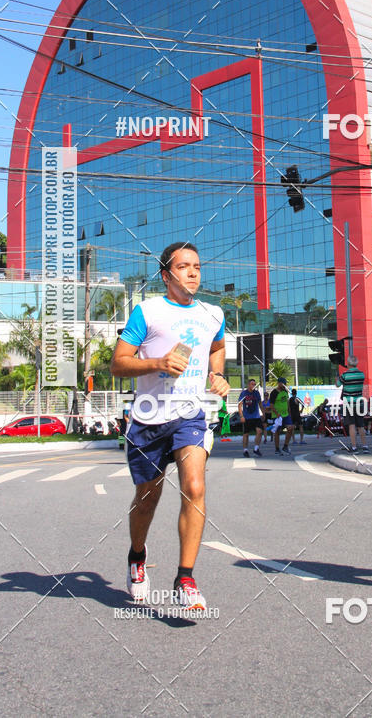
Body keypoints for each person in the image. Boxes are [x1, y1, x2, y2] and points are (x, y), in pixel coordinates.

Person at [111, 242, 230, 609]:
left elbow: (217, 347)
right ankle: (136, 556)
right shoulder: (147, 312)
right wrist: (158, 363)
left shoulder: (213, 313)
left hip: (190, 415)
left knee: (194, 486)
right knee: (147, 499)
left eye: (196, 265)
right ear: (166, 275)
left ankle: (185, 578)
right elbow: (118, 364)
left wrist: (218, 375)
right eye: (183, 266)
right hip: (148, 417)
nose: (193, 272)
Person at [337, 355, 368, 452]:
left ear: (348, 363)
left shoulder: (345, 375)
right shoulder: (361, 374)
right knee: (361, 425)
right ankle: (365, 446)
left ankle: (354, 446)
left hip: (349, 403)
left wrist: (337, 378)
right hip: (359, 402)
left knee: (351, 425)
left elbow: (337, 384)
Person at [238, 378, 264, 457]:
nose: (253, 386)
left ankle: (256, 448)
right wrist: (241, 416)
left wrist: (263, 413)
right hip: (247, 417)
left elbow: (260, 403)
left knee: (259, 431)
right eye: (252, 384)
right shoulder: (244, 393)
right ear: (248, 385)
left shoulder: (256, 393)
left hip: (256, 416)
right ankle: (245, 450)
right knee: (246, 434)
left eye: (254, 384)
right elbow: (239, 405)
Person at [269, 377, 292, 455]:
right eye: (283, 383)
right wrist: (277, 413)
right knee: (277, 432)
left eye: (285, 384)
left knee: (290, 428)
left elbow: (287, 401)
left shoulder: (285, 391)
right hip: (277, 415)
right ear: (279, 383)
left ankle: (285, 446)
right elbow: (271, 405)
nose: (284, 385)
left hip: (285, 414)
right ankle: (277, 448)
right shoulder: (274, 393)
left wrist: (289, 411)